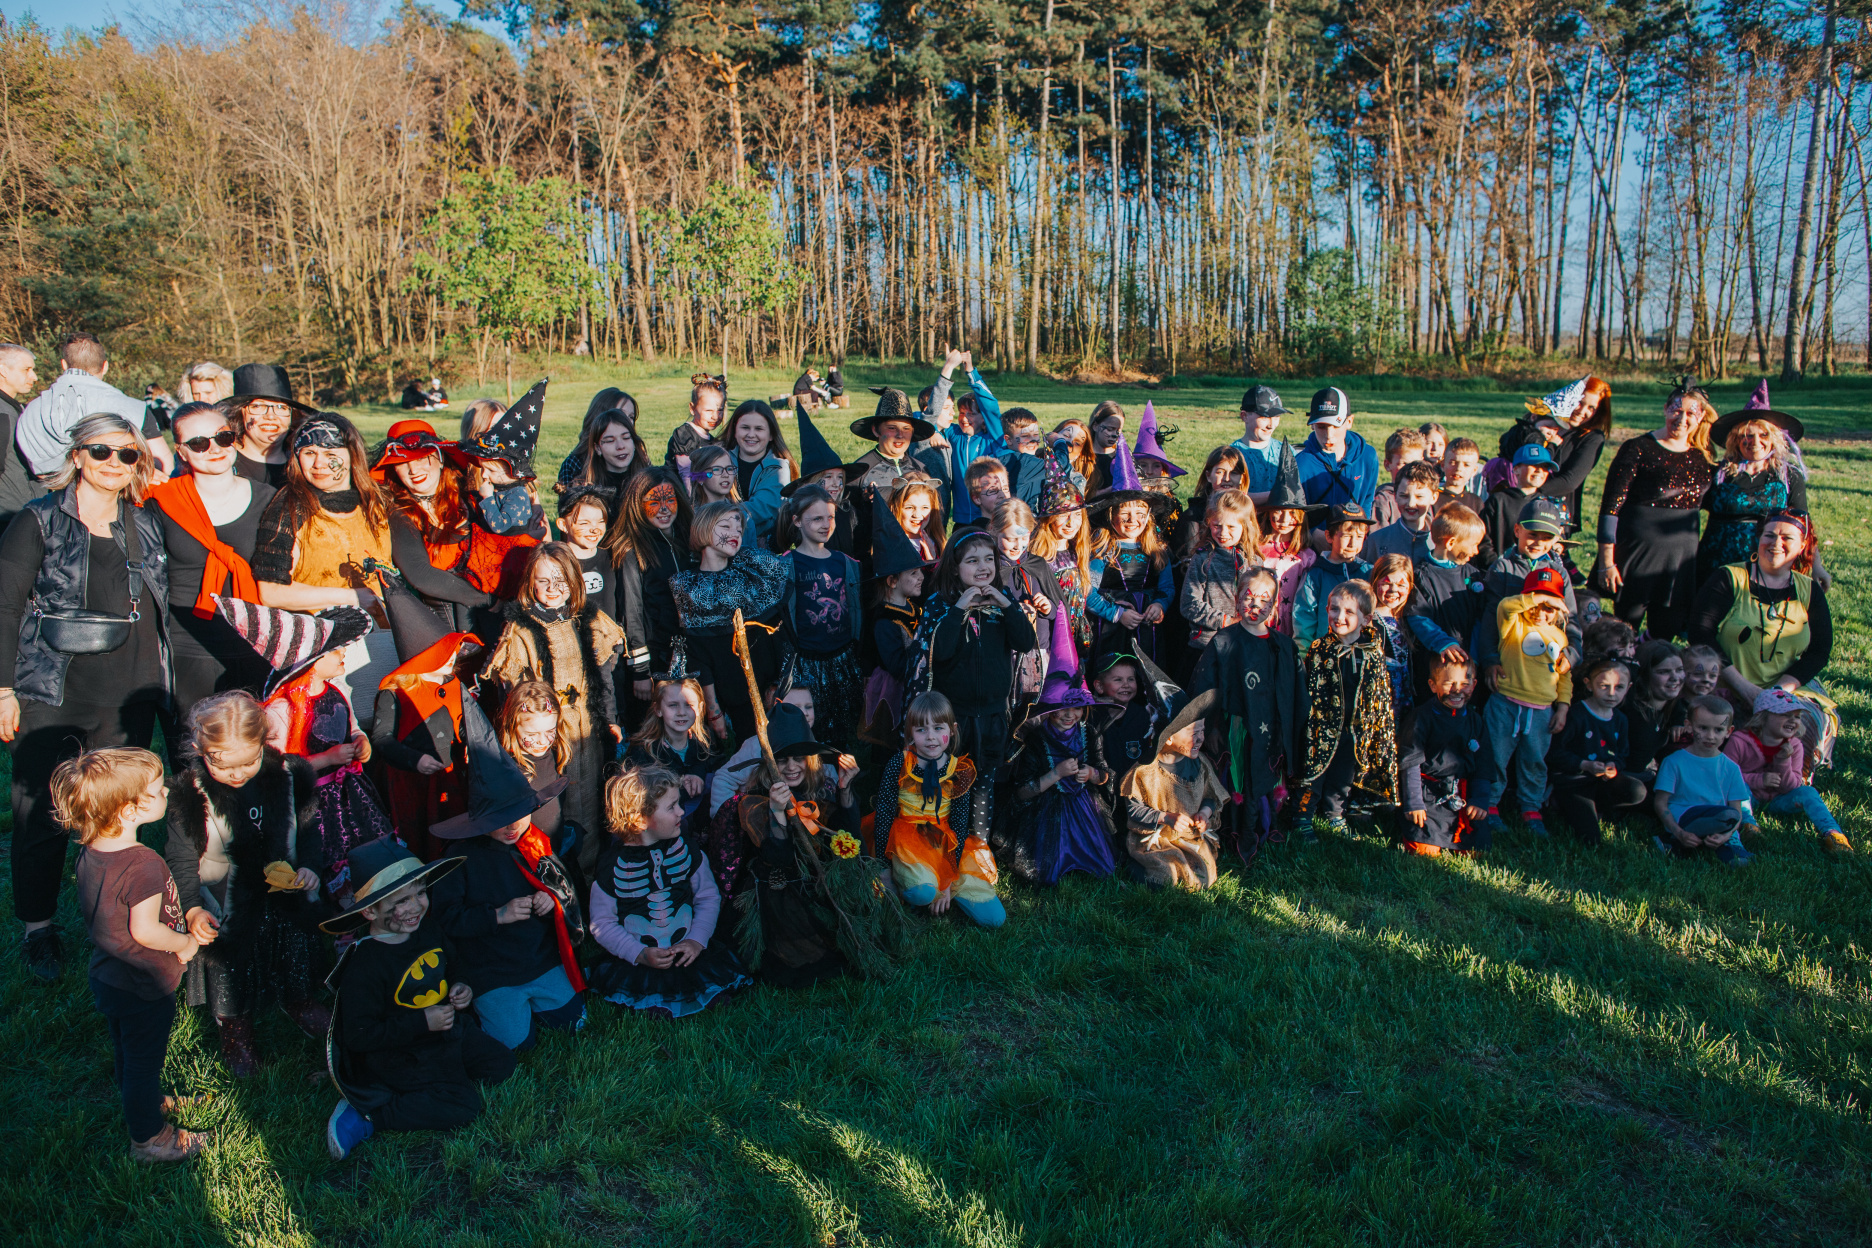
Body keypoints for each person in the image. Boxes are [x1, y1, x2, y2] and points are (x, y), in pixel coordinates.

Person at [0, 413, 170, 982]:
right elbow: (4, 605)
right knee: (42, 811)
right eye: (101, 451)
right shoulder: (38, 520)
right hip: (52, 689)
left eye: (127, 454)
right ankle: (38, 927)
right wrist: (2, 689)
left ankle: (112, 916)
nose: (114, 463)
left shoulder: (144, 523)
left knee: (115, 816)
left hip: (128, 692)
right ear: (76, 456)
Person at [54, 747, 209, 1162]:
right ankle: (149, 1139)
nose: (166, 793)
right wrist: (185, 944)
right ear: (127, 811)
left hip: (110, 976)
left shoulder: (92, 851)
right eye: (158, 791)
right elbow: (145, 930)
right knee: (144, 1061)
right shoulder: (143, 864)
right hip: (144, 982)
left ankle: (144, 1100)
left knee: (128, 1053)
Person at [320, 837, 517, 1161]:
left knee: (502, 1064)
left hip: (448, 1033)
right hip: (402, 1053)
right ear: (370, 910)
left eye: (420, 893)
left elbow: (453, 964)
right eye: (401, 901)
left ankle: (439, 1080)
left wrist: (461, 986)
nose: (415, 907)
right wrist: (421, 1022)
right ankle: (370, 1115)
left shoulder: (428, 930)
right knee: (463, 1106)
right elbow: (359, 1036)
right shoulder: (365, 965)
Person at [163, 691, 326, 1077]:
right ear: (199, 749)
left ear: (264, 743)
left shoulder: (290, 777)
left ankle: (298, 999)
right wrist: (192, 907)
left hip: (285, 888)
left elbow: (309, 830)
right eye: (222, 765)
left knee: (294, 947)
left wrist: (310, 867)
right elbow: (181, 859)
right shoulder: (191, 794)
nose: (237, 775)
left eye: (248, 763)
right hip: (226, 897)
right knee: (231, 966)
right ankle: (235, 1027)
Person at [429, 696, 587, 1049]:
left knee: (573, 1023)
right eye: (499, 820)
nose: (512, 826)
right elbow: (446, 919)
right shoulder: (459, 858)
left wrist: (549, 900)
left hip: (537, 957)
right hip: (490, 967)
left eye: (520, 814)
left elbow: (561, 889)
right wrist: (497, 915)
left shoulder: (533, 842)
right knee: (515, 1043)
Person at [221, 600, 391, 906]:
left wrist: (360, 741)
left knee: (368, 843)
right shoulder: (282, 709)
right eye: (336, 650)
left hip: (351, 794)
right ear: (312, 661)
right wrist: (328, 759)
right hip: (313, 802)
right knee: (329, 855)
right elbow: (275, 768)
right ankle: (336, 908)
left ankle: (377, 897)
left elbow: (352, 727)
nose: (344, 653)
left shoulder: (337, 692)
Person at [723, 704, 895, 983]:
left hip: (817, 877)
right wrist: (777, 812)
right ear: (769, 763)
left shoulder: (816, 791)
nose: (791, 767)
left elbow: (848, 837)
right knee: (800, 936)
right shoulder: (755, 801)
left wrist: (844, 789)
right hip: (780, 885)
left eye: (799, 758)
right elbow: (778, 859)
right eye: (782, 760)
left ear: (811, 760)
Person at [484, 543, 624, 870]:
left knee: (593, 796)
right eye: (543, 580)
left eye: (560, 580)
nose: (552, 588)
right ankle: (559, 873)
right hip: (547, 732)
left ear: (574, 580)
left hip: (588, 724)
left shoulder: (589, 619)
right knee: (559, 803)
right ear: (530, 582)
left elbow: (603, 676)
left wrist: (610, 718)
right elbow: (512, 691)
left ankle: (593, 872)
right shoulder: (521, 630)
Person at [249, 412, 397, 715]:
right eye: (309, 453)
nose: (318, 463)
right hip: (319, 650)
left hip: (381, 640)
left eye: (331, 453)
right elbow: (270, 591)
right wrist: (352, 597)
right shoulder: (289, 507)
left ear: (351, 454)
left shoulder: (375, 500)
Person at [586, 766, 751, 1016]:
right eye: (672, 807)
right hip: (640, 957)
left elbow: (708, 897)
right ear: (640, 819)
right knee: (649, 1006)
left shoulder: (688, 850)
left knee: (716, 992)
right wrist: (638, 954)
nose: (681, 812)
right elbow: (602, 923)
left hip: (689, 949)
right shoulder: (610, 867)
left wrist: (696, 940)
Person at [146, 403, 275, 718]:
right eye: (198, 443)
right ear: (181, 451)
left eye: (223, 438)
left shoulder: (269, 499)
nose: (214, 449)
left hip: (257, 639)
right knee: (195, 739)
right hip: (190, 644)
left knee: (260, 738)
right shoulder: (161, 500)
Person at [368, 567, 479, 862]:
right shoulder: (395, 692)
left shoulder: (453, 684)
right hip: (413, 784)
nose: (453, 658)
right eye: (443, 653)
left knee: (456, 831)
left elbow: (463, 722)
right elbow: (382, 739)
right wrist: (415, 760)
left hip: (451, 776)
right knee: (422, 837)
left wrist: (472, 744)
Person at [1191, 568, 1301, 858]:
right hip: (1236, 730)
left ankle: (1264, 825)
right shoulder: (1223, 641)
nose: (1255, 605)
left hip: (1270, 729)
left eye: (1264, 600)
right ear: (1237, 599)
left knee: (1264, 773)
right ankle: (1233, 828)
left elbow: (1292, 694)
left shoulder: (1283, 646)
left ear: (1274, 605)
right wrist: (1210, 727)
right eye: (1249, 597)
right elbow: (1205, 687)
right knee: (1238, 777)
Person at [920, 530, 1038, 797]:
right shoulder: (940, 603)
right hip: (952, 716)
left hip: (993, 714)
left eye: (989, 559)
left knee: (983, 789)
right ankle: (948, 825)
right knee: (948, 786)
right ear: (954, 567)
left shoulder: (1003, 599)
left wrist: (1007, 606)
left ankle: (980, 826)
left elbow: (1024, 642)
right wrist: (959, 609)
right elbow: (938, 653)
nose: (983, 567)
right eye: (972, 561)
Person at [1596, 378, 1716, 639]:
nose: (1682, 419)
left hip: (1679, 563)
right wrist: (1606, 561)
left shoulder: (1703, 457)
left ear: (1701, 417)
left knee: (1666, 634)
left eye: (1690, 413)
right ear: (1665, 409)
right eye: (1676, 410)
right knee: (1623, 632)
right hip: (1637, 555)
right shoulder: (1637, 448)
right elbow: (1610, 507)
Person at [872, 691, 1004, 926]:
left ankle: (946, 889)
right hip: (907, 841)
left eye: (938, 728)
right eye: (921, 729)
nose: (931, 737)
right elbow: (883, 815)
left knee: (994, 918)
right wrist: (884, 869)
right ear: (910, 732)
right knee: (922, 893)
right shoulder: (900, 763)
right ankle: (916, 887)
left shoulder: (959, 769)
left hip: (946, 845)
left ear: (952, 730)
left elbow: (960, 825)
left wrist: (947, 881)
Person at [1688, 512, 1833, 716]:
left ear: (1802, 546)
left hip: (1785, 691)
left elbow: (1819, 651)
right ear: (1759, 537)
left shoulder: (1809, 590)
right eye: (1769, 535)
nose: (1776, 543)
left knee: (1801, 726)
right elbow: (1700, 633)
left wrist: (1776, 693)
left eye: (1787, 538)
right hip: (1725, 687)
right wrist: (1744, 688)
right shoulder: (1728, 577)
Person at [672, 500, 789, 745]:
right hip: (729, 691)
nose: (735, 533)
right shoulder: (689, 586)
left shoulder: (751, 575)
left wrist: (777, 683)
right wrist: (713, 707)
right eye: (725, 527)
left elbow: (776, 632)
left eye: (738, 528)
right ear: (704, 529)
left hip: (766, 687)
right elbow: (698, 652)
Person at [370, 419, 495, 639]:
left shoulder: (471, 502)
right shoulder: (399, 515)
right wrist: (487, 600)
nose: (413, 469)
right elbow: (421, 574)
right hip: (446, 636)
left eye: (421, 458)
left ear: (439, 458)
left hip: (494, 621)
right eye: (402, 463)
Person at [1474, 568, 1573, 838]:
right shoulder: (1513, 624)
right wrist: (1542, 598)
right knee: (1496, 756)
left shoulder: (1560, 637)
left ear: (1559, 610)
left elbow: (1564, 676)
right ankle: (1490, 804)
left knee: (1534, 762)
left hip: (1541, 712)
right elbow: (1507, 605)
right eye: (1536, 604)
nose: (1540, 612)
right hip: (1505, 704)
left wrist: (1563, 707)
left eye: (1549, 608)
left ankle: (1530, 808)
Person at [1298, 580, 1398, 841]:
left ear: (1366, 619)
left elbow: (1378, 694)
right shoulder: (1321, 649)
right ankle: (1303, 816)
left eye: (1349, 612)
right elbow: (1312, 688)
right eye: (1334, 609)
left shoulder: (1373, 653)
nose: (1339, 617)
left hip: (1354, 729)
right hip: (1322, 727)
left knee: (1343, 774)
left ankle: (1335, 814)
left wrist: (1371, 726)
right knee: (1314, 772)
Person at [998, 672, 1119, 886]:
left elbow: (1105, 775)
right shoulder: (1036, 738)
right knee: (1045, 870)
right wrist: (1056, 774)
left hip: (1085, 808)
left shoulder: (1089, 733)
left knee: (1104, 866)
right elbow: (1023, 791)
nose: (1069, 715)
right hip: (1046, 811)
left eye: (1077, 708)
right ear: (1048, 709)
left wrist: (1091, 774)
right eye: (1062, 708)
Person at [17, 332, 173, 479]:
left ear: (64, 365)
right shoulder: (133, 408)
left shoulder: (32, 410)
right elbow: (164, 463)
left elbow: (34, 466)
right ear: (105, 366)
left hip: (51, 493)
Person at [777, 483, 864, 746]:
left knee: (843, 722)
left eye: (830, 517)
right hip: (806, 660)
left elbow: (853, 606)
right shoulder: (787, 563)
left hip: (842, 657)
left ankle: (840, 763)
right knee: (810, 723)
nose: (826, 525)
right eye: (817, 519)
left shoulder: (844, 562)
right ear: (797, 521)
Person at [1699, 384, 1814, 583]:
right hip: (1717, 563)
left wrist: (1816, 567)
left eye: (1763, 435)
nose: (1755, 441)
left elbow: (1803, 526)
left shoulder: (1788, 476)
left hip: (1769, 562)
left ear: (1774, 439)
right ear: (1736, 439)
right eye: (1748, 436)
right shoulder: (1718, 474)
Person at [1121, 690, 1227, 889]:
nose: (1200, 739)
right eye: (1193, 734)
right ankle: (1140, 868)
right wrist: (1166, 818)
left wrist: (1205, 813)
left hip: (1189, 837)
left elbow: (1211, 796)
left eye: (1202, 731)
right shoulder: (1145, 772)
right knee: (1164, 874)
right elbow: (1134, 809)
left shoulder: (1200, 764)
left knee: (1204, 875)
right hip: (1157, 839)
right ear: (1169, 738)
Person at [1725, 687, 1849, 852]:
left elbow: (1792, 786)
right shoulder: (1739, 741)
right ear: (1762, 717)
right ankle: (1749, 826)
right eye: (1785, 714)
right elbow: (1726, 776)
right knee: (1740, 788)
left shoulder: (1795, 745)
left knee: (1808, 792)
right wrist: (1759, 780)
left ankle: (1833, 834)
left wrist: (1783, 760)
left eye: (1797, 716)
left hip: (1779, 800)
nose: (1793, 720)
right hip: (1749, 796)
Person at [608, 467, 691, 710]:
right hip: (655, 655)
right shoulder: (632, 551)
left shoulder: (690, 539)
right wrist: (641, 671)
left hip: (691, 651)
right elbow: (631, 612)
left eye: (669, 499)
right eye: (654, 502)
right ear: (637, 506)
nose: (664, 509)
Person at [1085, 437, 1175, 661]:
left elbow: (1167, 587)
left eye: (1140, 514)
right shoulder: (1103, 548)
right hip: (1111, 629)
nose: (1133, 520)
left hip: (1147, 629)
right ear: (1111, 515)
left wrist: (1160, 604)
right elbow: (1088, 591)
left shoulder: (1156, 549)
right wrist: (1116, 613)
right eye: (1125, 513)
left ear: (1148, 516)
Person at [1544, 656, 1648, 843]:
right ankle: (1562, 802)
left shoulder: (1620, 719)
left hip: (1602, 782)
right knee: (1590, 839)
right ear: (1589, 684)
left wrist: (1613, 767)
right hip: (1573, 783)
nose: (1611, 694)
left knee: (1637, 791)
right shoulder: (1576, 715)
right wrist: (1584, 764)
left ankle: (1597, 807)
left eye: (1619, 687)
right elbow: (1553, 752)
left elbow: (1622, 754)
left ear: (1628, 688)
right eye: (1604, 686)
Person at [1475, 498, 1581, 680]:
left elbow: (1570, 617)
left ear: (1557, 538)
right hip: (1508, 662)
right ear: (1517, 530)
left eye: (1546, 537)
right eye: (1532, 535)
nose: (1538, 543)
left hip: (1546, 666)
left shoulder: (1559, 573)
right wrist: (1490, 659)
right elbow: (1490, 617)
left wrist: (1572, 654)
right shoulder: (1502, 568)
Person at [1498, 376, 1613, 541]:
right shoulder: (1542, 421)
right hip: (1510, 502)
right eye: (1580, 403)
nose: (1582, 411)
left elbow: (1570, 481)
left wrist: (1527, 492)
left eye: (1591, 407)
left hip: (1550, 511)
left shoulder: (1591, 438)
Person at [1398, 657, 1492, 856]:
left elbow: (1484, 765)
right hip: (1428, 798)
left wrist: (1480, 800)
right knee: (1425, 852)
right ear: (1433, 685)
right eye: (1449, 683)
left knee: (1478, 852)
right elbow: (1410, 763)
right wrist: (1414, 803)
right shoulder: (1420, 718)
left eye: (1464, 684)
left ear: (1474, 685)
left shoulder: (1476, 721)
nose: (1457, 690)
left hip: (1464, 798)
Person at [861, 493, 932, 748]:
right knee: (893, 740)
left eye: (920, 571)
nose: (921, 577)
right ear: (892, 581)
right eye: (913, 573)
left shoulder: (914, 607)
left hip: (918, 681)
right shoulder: (885, 621)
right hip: (895, 689)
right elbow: (899, 667)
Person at [1651, 696, 1755, 865]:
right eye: (1703, 728)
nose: (1710, 736)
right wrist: (1678, 832)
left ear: (1729, 731)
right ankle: (1678, 838)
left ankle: (1722, 842)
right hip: (1685, 818)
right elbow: (1660, 803)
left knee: (1737, 853)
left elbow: (1737, 812)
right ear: (1688, 726)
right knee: (1725, 816)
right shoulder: (1673, 762)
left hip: (1721, 822)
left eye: (1718, 730)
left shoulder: (1731, 768)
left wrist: (1725, 835)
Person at [925, 348, 1006, 525]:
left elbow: (991, 406)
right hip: (961, 518)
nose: (964, 418)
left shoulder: (993, 439)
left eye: (971, 414)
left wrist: (970, 371)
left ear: (983, 418)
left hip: (989, 517)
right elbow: (922, 416)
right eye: (961, 412)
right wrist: (934, 431)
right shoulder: (954, 434)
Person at [990, 499, 1059, 701]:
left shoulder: (1038, 565)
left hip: (1039, 652)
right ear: (994, 531)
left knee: (1036, 705)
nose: (1017, 545)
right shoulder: (990, 569)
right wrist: (1012, 611)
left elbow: (1058, 608)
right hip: (1005, 654)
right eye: (1010, 539)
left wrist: (1047, 607)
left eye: (1024, 537)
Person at [1030, 446, 1094, 650]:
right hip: (1050, 636)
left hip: (1076, 637)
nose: (1071, 522)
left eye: (1077, 515)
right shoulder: (1038, 557)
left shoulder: (1078, 551)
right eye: (1062, 515)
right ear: (1048, 519)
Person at [1179, 488, 1257, 654]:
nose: (1223, 533)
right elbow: (1188, 603)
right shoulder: (1202, 559)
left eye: (1231, 527)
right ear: (1209, 523)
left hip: (1244, 644)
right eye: (1217, 525)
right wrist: (1226, 621)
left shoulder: (1254, 561)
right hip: (1206, 646)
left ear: (1245, 526)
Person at [1290, 501, 1372, 651]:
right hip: (1325, 654)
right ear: (1329, 536)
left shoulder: (1368, 572)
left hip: (1362, 655)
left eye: (1360, 536)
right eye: (1346, 536)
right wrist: (1304, 656)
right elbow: (1304, 619)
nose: (1353, 543)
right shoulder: (1316, 574)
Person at [850, 388, 949, 507]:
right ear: (875, 430)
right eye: (892, 428)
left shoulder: (920, 469)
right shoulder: (860, 471)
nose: (900, 435)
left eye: (906, 429)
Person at [1294, 387, 1378, 523]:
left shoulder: (1367, 457)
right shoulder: (1301, 464)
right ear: (1312, 425)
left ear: (1349, 421)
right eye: (1322, 426)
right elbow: (1297, 514)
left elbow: (1367, 501)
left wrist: (1362, 529)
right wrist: (1315, 533)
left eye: (1336, 426)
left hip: (1355, 533)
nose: (1329, 435)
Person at [225, 363, 315, 488]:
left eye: (281, 407)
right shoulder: (223, 463)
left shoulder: (307, 463)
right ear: (240, 412)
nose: (271, 416)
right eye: (258, 406)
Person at [725, 399, 796, 546]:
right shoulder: (721, 459)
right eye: (745, 427)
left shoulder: (778, 468)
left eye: (759, 429)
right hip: (719, 539)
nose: (751, 434)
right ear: (735, 431)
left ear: (771, 435)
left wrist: (715, 515)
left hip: (759, 547)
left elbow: (760, 510)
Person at [1476, 443, 1555, 570]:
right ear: (1516, 469)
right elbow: (1482, 539)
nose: (1539, 471)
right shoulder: (1499, 500)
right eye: (1533, 465)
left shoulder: (1548, 506)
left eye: (1545, 467)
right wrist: (1497, 566)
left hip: (1537, 573)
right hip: (1498, 572)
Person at [1624, 639, 1688, 784]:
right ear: (1644, 674)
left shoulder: (1675, 710)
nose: (1675, 678)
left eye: (1679, 670)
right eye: (1663, 672)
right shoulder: (1628, 709)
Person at [1257, 472, 1313, 636]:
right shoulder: (1255, 549)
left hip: (1291, 627)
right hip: (1258, 624)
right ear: (1269, 512)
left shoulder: (1307, 556)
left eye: (1292, 513)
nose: (1284, 519)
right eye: (1279, 511)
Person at [1173, 445, 1249, 562]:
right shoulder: (1193, 518)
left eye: (1234, 473)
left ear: (1241, 478)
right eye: (1220, 472)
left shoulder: (1245, 511)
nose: (1227, 478)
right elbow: (1187, 563)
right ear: (1208, 476)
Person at [555, 389, 641, 491]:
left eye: (631, 417)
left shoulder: (637, 457)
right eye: (619, 414)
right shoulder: (574, 464)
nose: (625, 421)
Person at [562, 404, 647, 502]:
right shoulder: (584, 490)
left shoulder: (651, 482)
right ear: (598, 448)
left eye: (626, 438)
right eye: (610, 441)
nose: (620, 446)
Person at [1230, 385, 1299, 506]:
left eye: (1276, 417)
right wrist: (1278, 495)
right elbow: (1230, 496)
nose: (1271, 425)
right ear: (1244, 416)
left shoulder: (1286, 452)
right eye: (1264, 417)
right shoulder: (1232, 456)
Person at [1361, 460, 1439, 565]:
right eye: (1404, 496)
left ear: (1434, 497)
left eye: (1419, 496)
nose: (1411, 504)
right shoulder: (1377, 541)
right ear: (1395, 496)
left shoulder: (1441, 542)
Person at [0, 342, 42, 531]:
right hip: (8, 519)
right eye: (26, 369)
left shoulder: (11, 408)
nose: (34, 376)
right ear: (3, 370)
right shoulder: (3, 414)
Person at [556, 484, 614, 606]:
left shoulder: (612, 559)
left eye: (601, 522)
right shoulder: (555, 564)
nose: (594, 529)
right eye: (584, 523)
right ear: (563, 525)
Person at [1369, 428, 1428, 529]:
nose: (1410, 470)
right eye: (1404, 464)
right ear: (1388, 465)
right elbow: (1378, 536)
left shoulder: (1426, 497)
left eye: (1416, 464)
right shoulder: (1384, 501)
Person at [666, 374, 726, 473]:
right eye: (708, 410)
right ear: (692, 409)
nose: (715, 416)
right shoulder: (684, 436)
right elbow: (686, 474)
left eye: (720, 410)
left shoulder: (712, 441)